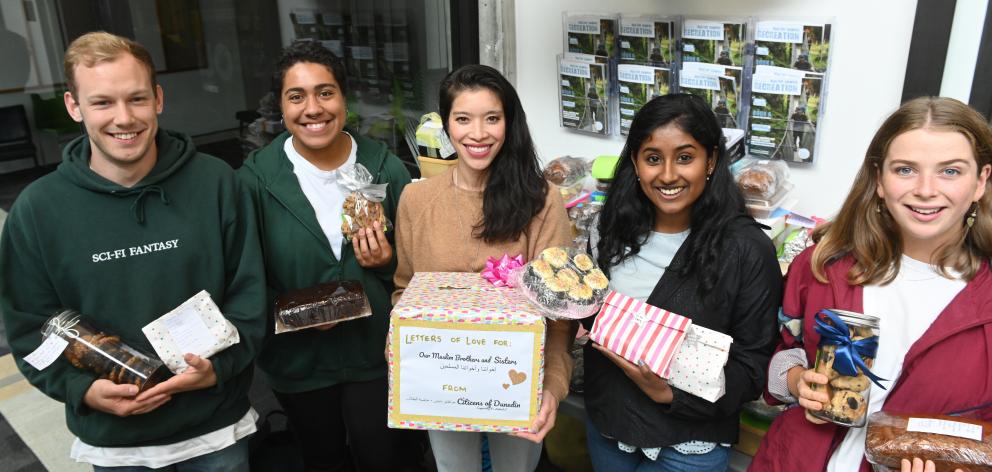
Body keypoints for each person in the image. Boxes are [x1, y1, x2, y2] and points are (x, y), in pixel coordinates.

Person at [0, 32, 266, 470]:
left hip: (215, 429)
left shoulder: (217, 184)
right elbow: (31, 327)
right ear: (73, 106)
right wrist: (79, 389)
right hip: (115, 441)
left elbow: (251, 293)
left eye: (137, 99)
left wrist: (219, 368)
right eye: (102, 102)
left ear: (158, 98)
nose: (124, 118)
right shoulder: (37, 210)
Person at [751, 96, 992, 472]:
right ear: (879, 180)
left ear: (981, 182)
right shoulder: (820, 267)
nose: (926, 189)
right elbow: (782, 353)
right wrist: (798, 381)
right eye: (906, 169)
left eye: (950, 171)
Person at [238, 40, 419, 471]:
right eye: (296, 96)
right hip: (298, 361)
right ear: (280, 107)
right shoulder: (255, 181)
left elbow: (417, 271)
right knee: (322, 459)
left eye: (325, 92)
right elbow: (242, 278)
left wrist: (386, 262)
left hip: (376, 354)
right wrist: (297, 314)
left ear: (344, 98)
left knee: (385, 459)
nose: (313, 108)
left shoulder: (385, 168)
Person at [582, 93, 781, 471]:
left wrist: (669, 393)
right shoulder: (610, 229)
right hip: (609, 425)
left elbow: (754, 365)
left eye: (685, 157)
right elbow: (597, 320)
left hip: (689, 444)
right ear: (636, 164)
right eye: (653, 158)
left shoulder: (746, 250)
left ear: (712, 160)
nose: (669, 174)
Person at [392, 64, 575, 472]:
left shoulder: (542, 201)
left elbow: (560, 317)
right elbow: (404, 293)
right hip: (444, 381)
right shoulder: (415, 201)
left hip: (518, 381)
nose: (478, 133)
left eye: (492, 118)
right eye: (463, 119)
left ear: (509, 123)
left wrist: (552, 388)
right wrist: (404, 356)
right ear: (446, 125)